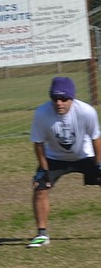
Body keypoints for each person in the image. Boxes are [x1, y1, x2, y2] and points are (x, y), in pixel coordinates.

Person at [28, 76, 101, 248]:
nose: (59, 103)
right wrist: (44, 171)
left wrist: (99, 165)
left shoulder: (86, 112)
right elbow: (38, 144)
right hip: (54, 158)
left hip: (85, 155)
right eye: (55, 98)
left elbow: (96, 138)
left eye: (64, 98)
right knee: (40, 188)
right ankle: (42, 234)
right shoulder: (42, 114)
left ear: (72, 98)